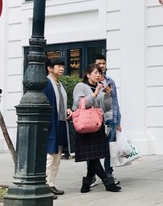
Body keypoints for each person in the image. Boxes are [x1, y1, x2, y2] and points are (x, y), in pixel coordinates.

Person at [72, 64, 122, 193]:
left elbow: (107, 108)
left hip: (97, 125)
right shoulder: (81, 86)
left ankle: (86, 184)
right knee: (93, 157)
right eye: (95, 72)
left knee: (93, 157)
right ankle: (108, 183)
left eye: (100, 73)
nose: (98, 75)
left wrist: (107, 95)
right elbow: (79, 103)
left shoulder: (100, 87)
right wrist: (95, 94)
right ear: (87, 74)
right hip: (85, 126)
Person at [42, 57, 71, 199]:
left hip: (61, 123)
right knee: (49, 156)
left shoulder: (59, 84)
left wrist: (67, 110)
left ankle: (51, 184)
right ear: (49, 68)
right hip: (51, 124)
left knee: (57, 156)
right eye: (58, 66)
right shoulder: (47, 83)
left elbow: (60, 104)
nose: (61, 68)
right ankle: (44, 186)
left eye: (62, 66)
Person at [94, 54, 122, 184]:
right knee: (93, 148)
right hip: (95, 120)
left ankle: (108, 173)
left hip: (111, 119)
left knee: (110, 148)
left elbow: (115, 101)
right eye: (99, 64)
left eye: (103, 63)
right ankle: (92, 174)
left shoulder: (110, 81)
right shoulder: (91, 81)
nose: (102, 66)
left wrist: (118, 121)